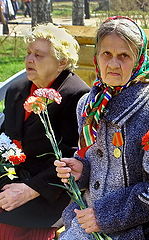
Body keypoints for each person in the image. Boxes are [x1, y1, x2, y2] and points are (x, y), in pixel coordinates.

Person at [55, 16, 149, 240]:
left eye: (124, 56)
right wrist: (81, 171)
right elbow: (93, 162)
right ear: (97, 57)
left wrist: (105, 216)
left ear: (138, 60)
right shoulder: (88, 105)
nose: (113, 64)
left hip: (133, 232)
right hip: (84, 223)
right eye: (107, 54)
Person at [0, 23, 90, 240]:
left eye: (39, 55)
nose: (29, 60)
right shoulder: (17, 89)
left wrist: (29, 190)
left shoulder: (75, 96)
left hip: (48, 193)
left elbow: (73, 157)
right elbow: (5, 140)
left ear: (62, 62)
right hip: (10, 187)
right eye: (29, 53)